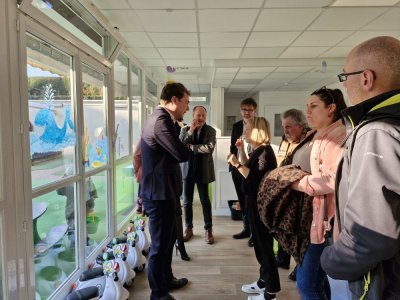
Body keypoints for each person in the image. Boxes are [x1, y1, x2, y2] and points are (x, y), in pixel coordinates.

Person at [321, 36, 400, 299]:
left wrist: (331, 258)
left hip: (383, 283)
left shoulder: (378, 131)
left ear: (366, 78)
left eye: (345, 77)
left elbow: (372, 235)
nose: (344, 85)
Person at [289, 87, 347, 299]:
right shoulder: (317, 134)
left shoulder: (339, 135)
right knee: (316, 281)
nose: (308, 111)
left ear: (331, 108)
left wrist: (295, 182)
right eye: (307, 107)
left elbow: (333, 180)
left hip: (326, 223)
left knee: (307, 285)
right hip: (312, 218)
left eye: (314, 106)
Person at [140, 82, 191, 300]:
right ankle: (158, 294)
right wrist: (186, 141)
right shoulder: (160, 121)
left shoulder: (165, 120)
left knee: (169, 240)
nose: (187, 108)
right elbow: (181, 154)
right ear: (174, 101)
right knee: (160, 247)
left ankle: (167, 279)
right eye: (186, 102)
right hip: (158, 195)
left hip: (165, 192)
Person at [228, 117, 279, 300]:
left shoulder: (265, 151)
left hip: (260, 204)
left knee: (264, 247)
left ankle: (271, 292)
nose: (245, 131)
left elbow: (255, 178)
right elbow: (249, 165)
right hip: (252, 202)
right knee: (259, 245)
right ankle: (263, 282)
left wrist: (236, 164)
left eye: (248, 128)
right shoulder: (258, 150)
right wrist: (241, 151)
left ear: (258, 130)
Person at [275, 109, 309, 281]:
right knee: (284, 226)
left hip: (303, 194)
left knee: (299, 234)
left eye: (289, 127)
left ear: (300, 125)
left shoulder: (309, 141)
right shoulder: (285, 139)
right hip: (286, 190)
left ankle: (299, 265)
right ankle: (282, 259)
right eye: (284, 127)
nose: (285, 131)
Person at [180, 106, 216, 244]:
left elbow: (209, 148)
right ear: (193, 116)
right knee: (187, 202)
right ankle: (188, 228)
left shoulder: (211, 130)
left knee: (205, 201)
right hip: (187, 170)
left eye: (203, 116)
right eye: (198, 115)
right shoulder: (184, 129)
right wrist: (190, 131)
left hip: (203, 171)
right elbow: (180, 146)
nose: (200, 118)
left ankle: (208, 230)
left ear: (205, 117)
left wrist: (191, 147)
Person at [229, 97, 257, 247]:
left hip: (251, 170)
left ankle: (254, 232)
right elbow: (232, 147)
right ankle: (246, 229)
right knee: (242, 200)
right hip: (237, 168)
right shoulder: (236, 126)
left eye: (250, 110)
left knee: (251, 201)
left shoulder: (259, 125)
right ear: (241, 110)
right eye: (244, 109)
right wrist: (232, 165)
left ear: (254, 111)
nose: (247, 112)